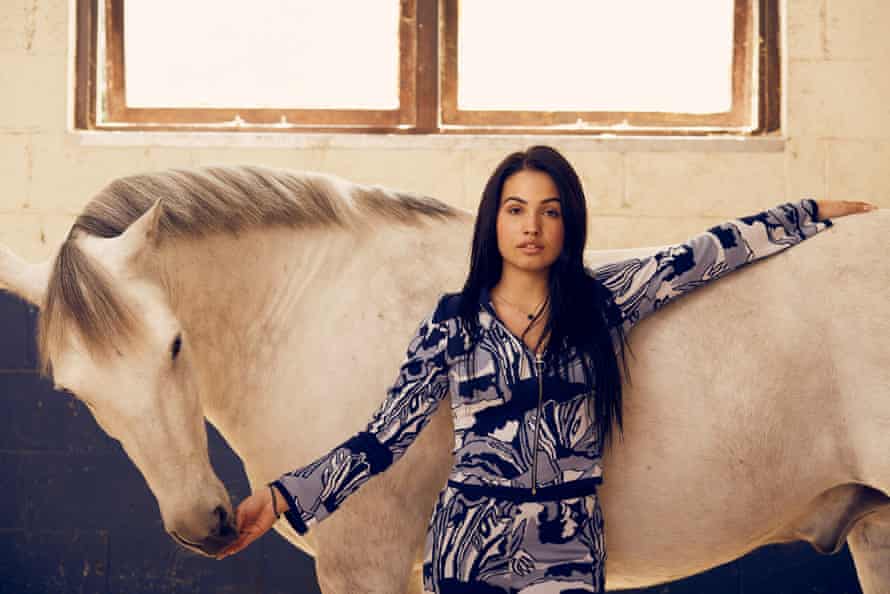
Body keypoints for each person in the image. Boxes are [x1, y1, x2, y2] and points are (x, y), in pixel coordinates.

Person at [215, 146, 876, 592]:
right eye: (515, 209)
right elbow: (383, 438)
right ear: (493, 223)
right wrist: (279, 499)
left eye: (550, 210)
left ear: (568, 225)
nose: (532, 226)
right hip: (469, 548)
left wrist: (806, 215)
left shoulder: (601, 301)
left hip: (568, 547)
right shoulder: (453, 321)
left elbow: (696, 257)